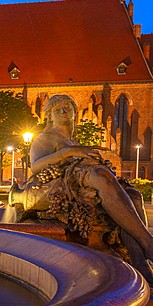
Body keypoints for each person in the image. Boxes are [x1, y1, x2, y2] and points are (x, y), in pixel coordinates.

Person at [11, 94, 153, 262]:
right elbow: (35, 167)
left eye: (68, 108)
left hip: (77, 181)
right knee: (102, 175)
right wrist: (69, 152)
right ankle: (148, 243)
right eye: (57, 110)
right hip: (54, 187)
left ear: (75, 112)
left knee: (134, 195)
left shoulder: (72, 140)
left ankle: (139, 260)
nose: (64, 112)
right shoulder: (45, 137)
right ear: (48, 116)